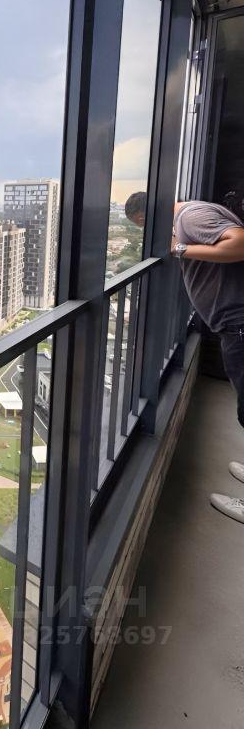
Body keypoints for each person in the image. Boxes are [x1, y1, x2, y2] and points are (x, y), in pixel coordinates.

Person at [125, 191, 244, 524]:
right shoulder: (193, 214)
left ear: (146, 216)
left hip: (238, 324)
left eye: (144, 225)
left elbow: (240, 243)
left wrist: (179, 249)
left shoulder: (190, 217)